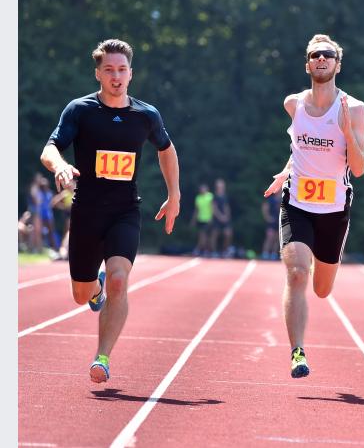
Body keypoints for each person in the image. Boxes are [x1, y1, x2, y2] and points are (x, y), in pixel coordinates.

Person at [39, 39, 180, 384]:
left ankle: (102, 357)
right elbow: (50, 147)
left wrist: (174, 194)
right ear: (98, 74)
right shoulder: (80, 110)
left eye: (122, 70)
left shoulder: (146, 115)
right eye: (109, 70)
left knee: (120, 279)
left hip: (124, 211)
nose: (116, 76)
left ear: (131, 74)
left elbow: (167, 149)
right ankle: (94, 292)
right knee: (80, 295)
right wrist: (59, 165)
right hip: (87, 212)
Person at [263, 34, 364, 379]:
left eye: (328, 55)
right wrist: (286, 171)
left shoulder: (354, 108)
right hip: (297, 203)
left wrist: (347, 131)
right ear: (307, 64)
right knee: (296, 273)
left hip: (334, 209)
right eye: (314, 55)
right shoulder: (293, 104)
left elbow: (361, 166)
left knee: (322, 289)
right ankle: (297, 352)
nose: (321, 59)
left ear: (338, 64)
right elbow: (299, 148)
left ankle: (327, 269)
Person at [210, 178, 235, 258]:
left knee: (228, 234)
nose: (221, 187)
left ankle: (225, 251)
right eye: (220, 185)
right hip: (217, 218)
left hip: (225, 218)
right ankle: (213, 252)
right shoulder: (214, 196)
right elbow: (214, 208)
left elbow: (226, 207)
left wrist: (227, 216)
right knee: (215, 234)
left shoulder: (225, 196)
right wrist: (220, 217)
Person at [191, 183, 213, 257]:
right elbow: (196, 210)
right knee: (202, 235)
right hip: (200, 219)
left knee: (204, 235)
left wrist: (212, 217)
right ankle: (204, 250)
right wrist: (193, 220)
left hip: (208, 219)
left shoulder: (210, 196)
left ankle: (201, 250)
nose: (202, 190)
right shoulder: (198, 198)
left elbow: (212, 208)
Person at [261, 192, 280, 260]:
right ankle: (265, 253)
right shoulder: (271, 199)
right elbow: (265, 207)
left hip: (279, 221)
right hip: (272, 221)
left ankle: (274, 254)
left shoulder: (283, 199)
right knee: (270, 237)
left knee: (277, 238)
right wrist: (267, 217)